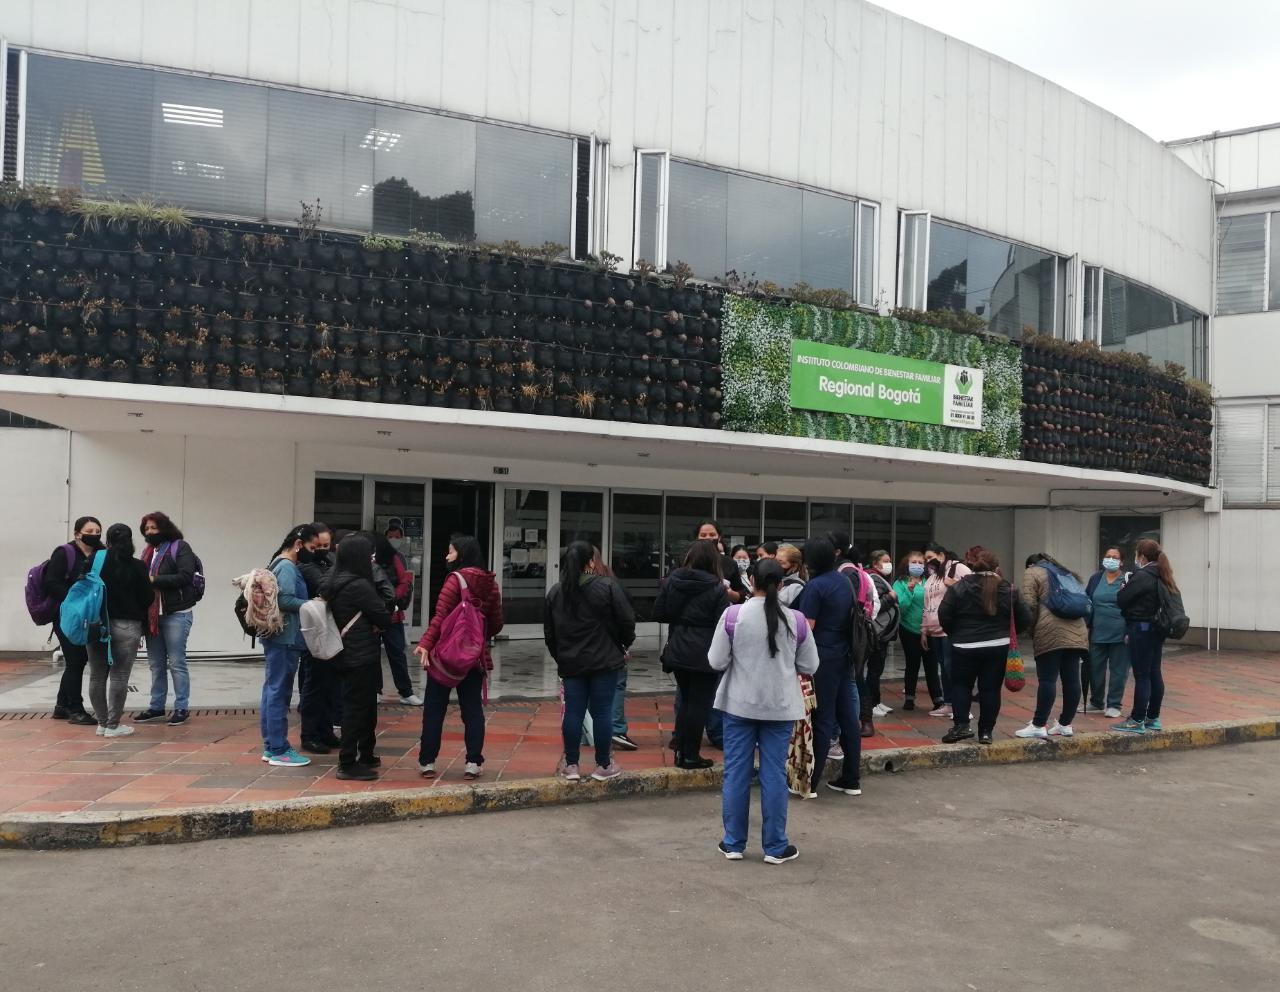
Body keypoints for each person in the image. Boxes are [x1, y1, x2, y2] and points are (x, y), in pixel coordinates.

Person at [709, 558, 819, 864]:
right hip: (780, 708)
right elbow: (810, 665)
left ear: (750, 581)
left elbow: (716, 661)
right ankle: (775, 846)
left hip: (738, 705)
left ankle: (733, 843)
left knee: (736, 774)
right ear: (781, 585)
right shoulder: (796, 620)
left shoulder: (733, 616)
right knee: (773, 775)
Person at [545, 541, 636, 782]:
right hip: (605, 660)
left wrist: (561, 656)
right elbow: (627, 620)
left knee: (573, 712)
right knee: (602, 712)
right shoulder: (607, 586)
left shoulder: (556, 592)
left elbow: (550, 634)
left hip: (571, 663)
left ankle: (572, 764)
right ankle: (604, 764)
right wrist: (624, 644)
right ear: (591, 562)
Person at [415, 536, 504, 779]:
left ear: (461, 555)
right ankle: (473, 762)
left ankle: (428, 761)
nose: (447, 556)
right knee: (472, 709)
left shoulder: (455, 580)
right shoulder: (491, 584)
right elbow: (496, 623)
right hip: (474, 659)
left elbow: (441, 616)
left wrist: (426, 643)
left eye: (451, 552)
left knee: (434, 708)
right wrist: (475, 638)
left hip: (445, 656)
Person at [938, 548, 1031, 744]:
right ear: (997, 568)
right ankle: (986, 732)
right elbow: (1025, 618)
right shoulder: (1008, 588)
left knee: (961, 686)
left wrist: (956, 634)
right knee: (990, 690)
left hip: (964, 646)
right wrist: (1006, 633)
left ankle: (961, 726)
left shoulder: (959, 587)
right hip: (997, 646)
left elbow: (944, 614)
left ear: (973, 566)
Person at [320, 533, 393, 780]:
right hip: (361, 653)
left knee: (361, 705)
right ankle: (348, 762)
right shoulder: (358, 585)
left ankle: (367, 753)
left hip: (343, 651)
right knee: (357, 708)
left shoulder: (332, 579)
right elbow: (383, 615)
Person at [654, 539, 730, 769]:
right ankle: (690, 755)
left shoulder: (672, 581)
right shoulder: (717, 587)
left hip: (678, 648)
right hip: (704, 652)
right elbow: (723, 621)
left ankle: (681, 750)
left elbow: (659, 612)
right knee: (699, 704)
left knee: (686, 700)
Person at [795, 536, 861, 797]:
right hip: (844, 654)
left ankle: (811, 782)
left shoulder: (815, 586)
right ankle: (851, 778)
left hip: (822, 658)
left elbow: (807, 627)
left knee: (822, 717)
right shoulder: (843, 581)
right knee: (848, 718)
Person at [256, 525, 317, 767]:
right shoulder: (288, 567)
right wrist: (313, 603)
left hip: (279, 637)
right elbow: (285, 600)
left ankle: (271, 746)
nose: (314, 553)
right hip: (286, 638)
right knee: (279, 692)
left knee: (272, 689)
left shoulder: (277, 564)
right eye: (312, 548)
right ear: (299, 544)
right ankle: (279, 748)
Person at [85, 523, 153, 737]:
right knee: (119, 676)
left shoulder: (94, 562)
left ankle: (102, 723)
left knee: (96, 676)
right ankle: (113, 725)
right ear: (130, 541)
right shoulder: (138, 566)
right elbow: (148, 597)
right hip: (128, 626)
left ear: (108, 540)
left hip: (98, 624)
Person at [134, 511, 201, 726]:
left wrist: (154, 579)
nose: (150, 532)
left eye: (154, 528)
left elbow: (185, 576)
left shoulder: (179, 547)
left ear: (165, 527)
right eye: (146, 529)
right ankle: (156, 707)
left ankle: (181, 707)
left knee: (177, 663)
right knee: (156, 664)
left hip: (176, 615)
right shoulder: (147, 552)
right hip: (153, 617)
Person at [1016, 553, 1089, 739]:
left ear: (1031, 564)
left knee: (1048, 679)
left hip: (1050, 631)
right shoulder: (1066, 573)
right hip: (1077, 631)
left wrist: (1029, 630)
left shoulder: (1033, 572)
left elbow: (1029, 604)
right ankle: (1065, 724)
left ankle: (1039, 724)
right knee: (1072, 679)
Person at [1113, 538, 1178, 735]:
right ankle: (1152, 717)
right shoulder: (1163, 574)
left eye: (1136, 554)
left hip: (1140, 629)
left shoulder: (1142, 575)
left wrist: (1124, 587)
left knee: (1142, 676)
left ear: (1141, 556)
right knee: (1154, 673)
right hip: (1156, 629)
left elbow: (1122, 600)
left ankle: (1136, 719)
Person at [45, 515, 100, 724]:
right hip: (66, 616)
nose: (94, 535)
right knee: (77, 660)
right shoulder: (64, 553)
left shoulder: (100, 553)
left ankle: (61, 705)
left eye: (97, 531)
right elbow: (51, 584)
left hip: (88, 616)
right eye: (90, 531)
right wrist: (75, 598)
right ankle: (76, 709)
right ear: (77, 534)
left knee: (75, 660)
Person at [298, 523, 344, 754]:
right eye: (318, 546)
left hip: (330, 630)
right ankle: (310, 734)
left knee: (330, 685)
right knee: (314, 685)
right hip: (315, 632)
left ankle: (325, 731)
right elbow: (326, 585)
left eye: (327, 545)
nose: (323, 550)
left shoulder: (328, 562)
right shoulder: (307, 566)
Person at [921, 544, 971, 718]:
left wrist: (955, 584)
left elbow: (974, 589)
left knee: (953, 668)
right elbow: (927, 604)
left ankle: (963, 706)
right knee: (944, 667)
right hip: (934, 629)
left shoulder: (957, 567)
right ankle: (949, 703)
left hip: (951, 628)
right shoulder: (933, 574)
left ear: (941, 555)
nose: (928, 562)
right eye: (926, 559)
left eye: (930, 557)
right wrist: (924, 629)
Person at [373, 534, 423, 707]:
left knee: (397, 654)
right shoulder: (363, 559)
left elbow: (404, 581)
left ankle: (406, 692)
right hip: (371, 615)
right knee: (372, 656)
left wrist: (392, 599)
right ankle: (375, 690)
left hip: (392, 615)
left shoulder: (392, 558)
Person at [891, 551, 941, 712]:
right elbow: (902, 608)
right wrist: (910, 591)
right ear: (907, 563)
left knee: (931, 664)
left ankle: (938, 697)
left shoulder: (930, 581)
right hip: (909, 628)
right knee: (912, 663)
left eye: (921, 562)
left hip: (930, 629)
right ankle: (910, 697)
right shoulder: (900, 583)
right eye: (914, 562)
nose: (918, 565)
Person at [1085, 547, 1131, 718]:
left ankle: (1114, 704)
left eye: (1115, 557)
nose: (1110, 559)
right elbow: (1087, 600)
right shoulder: (1096, 578)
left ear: (1121, 561)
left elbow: (1133, 604)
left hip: (1121, 634)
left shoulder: (1127, 579)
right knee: (1095, 668)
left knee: (1118, 670)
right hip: (1097, 632)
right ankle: (1096, 702)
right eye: (1108, 556)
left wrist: (1130, 630)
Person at [861, 549, 898, 734]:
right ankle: (871, 703)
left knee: (877, 669)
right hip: (877, 632)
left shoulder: (880, 578)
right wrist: (891, 598)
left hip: (883, 634)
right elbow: (876, 605)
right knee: (874, 669)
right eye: (885, 561)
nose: (888, 564)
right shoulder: (874, 579)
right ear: (875, 563)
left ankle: (876, 700)